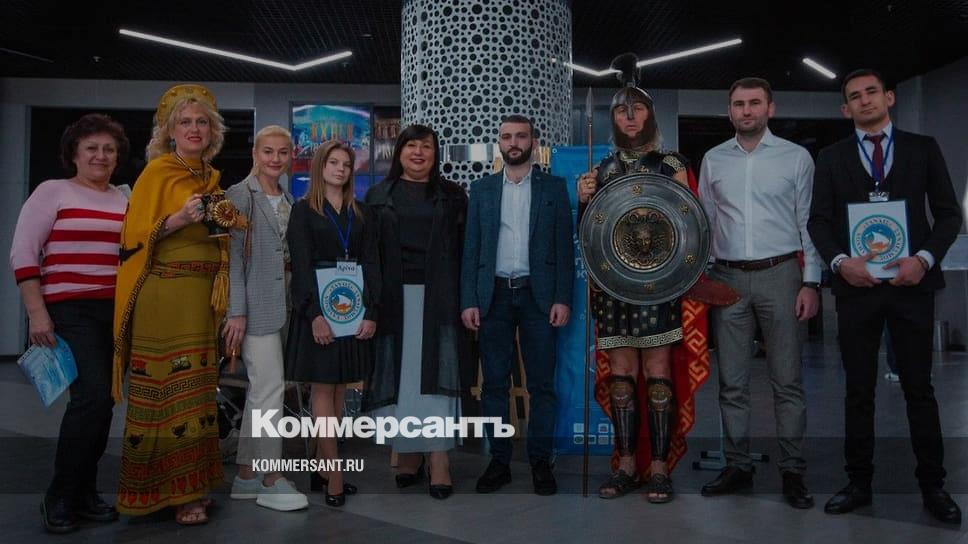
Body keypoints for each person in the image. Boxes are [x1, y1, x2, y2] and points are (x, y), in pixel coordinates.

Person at [808, 69, 962, 524]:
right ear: (845, 109)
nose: (865, 100)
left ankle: (934, 485)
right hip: (856, 288)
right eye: (855, 96)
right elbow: (818, 221)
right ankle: (858, 483)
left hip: (911, 285)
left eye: (872, 92)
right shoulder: (831, 157)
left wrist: (924, 260)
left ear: (889, 98)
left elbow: (948, 215)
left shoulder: (923, 148)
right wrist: (841, 263)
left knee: (919, 388)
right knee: (858, 390)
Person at [576, 53, 710, 503]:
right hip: (614, 290)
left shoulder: (672, 164)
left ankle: (659, 468)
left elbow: (693, 229)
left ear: (650, 115)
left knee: (657, 374)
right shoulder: (602, 171)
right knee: (621, 377)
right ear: (613, 119)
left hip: (660, 288)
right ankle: (627, 465)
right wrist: (583, 202)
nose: (630, 117)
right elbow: (591, 239)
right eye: (621, 110)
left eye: (637, 109)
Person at [112, 84, 239, 525]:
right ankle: (167, 494)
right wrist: (179, 219)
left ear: (213, 131)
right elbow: (132, 236)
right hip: (164, 294)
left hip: (202, 298)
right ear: (169, 131)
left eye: (202, 122)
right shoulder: (157, 172)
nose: (194, 129)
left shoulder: (211, 178)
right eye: (185, 122)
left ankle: (194, 487)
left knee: (198, 392)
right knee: (168, 390)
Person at [697, 77, 819, 509]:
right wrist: (703, 276)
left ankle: (792, 471)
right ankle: (737, 465)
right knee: (732, 382)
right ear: (729, 111)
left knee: (787, 380)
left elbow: (808, 222)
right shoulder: (714, 159)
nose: (746, 111)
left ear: (770, 108)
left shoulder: (796, 157)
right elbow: (705, 222)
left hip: (780, 274)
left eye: (753, 103)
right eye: (738, 104)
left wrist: (811, 281)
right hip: (727, 277)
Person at [10, 114, 129, 533]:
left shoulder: (124, 199)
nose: (101, 155)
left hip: (115, 312)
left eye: (109, 149)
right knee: (91, 398)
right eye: (91, 148)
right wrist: (36, 312)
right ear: (74, 154)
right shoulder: (53, 191)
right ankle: (59, 495)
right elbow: (23, 253)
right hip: (70, 309)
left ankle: (84, 492)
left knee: (104, 403)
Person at [460, 115, 574, 496]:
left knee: (542, 385)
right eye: (507, 136)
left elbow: (564, 248)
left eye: (521, 136)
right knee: (494, 384)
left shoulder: (554, 188)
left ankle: (541, 461)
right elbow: (471, 249)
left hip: (538, 298)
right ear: (499, 143)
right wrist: (469, 299)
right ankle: (499, 461)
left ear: (533, 142)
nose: (514, 142)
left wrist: (562, 297)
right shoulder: (482, 190)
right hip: (493, 296)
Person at [363, 124, 470, 500]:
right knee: (404, 380)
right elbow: (368, 255)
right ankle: (408, 450)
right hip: (393, 300)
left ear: (435, 154)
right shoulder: (377, 196)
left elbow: (465, 250)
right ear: (399, 152)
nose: (418, 152)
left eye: (426, 146)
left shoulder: (453, 196)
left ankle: (439, 458)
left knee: (438, 377)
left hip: (441, 299)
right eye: (411, 145)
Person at [286, 140, 379, 507]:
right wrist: (314, 315)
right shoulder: (302, 211)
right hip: (319, 313)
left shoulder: (362, 213)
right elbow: (301, 267)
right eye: (333, 162)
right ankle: (335, 473)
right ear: (320, 167)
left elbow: (371, 263)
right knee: (323, 388)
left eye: (346, 164)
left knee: (341, 389)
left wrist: (371, 311)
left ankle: (323, 468)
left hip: (352, 310)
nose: (340, 169)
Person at [223, 125, 308, 511]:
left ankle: (246, 476)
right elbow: (232, 260)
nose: (275, 159)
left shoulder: (287, 198)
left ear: (291, 157)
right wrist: (236, 312)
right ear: (255, 154)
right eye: (268, 151)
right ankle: (271, 478)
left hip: (283, 306)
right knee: (270, 390)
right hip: (253, 308)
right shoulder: (239, 196)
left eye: (283, 152)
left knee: (263, 391)